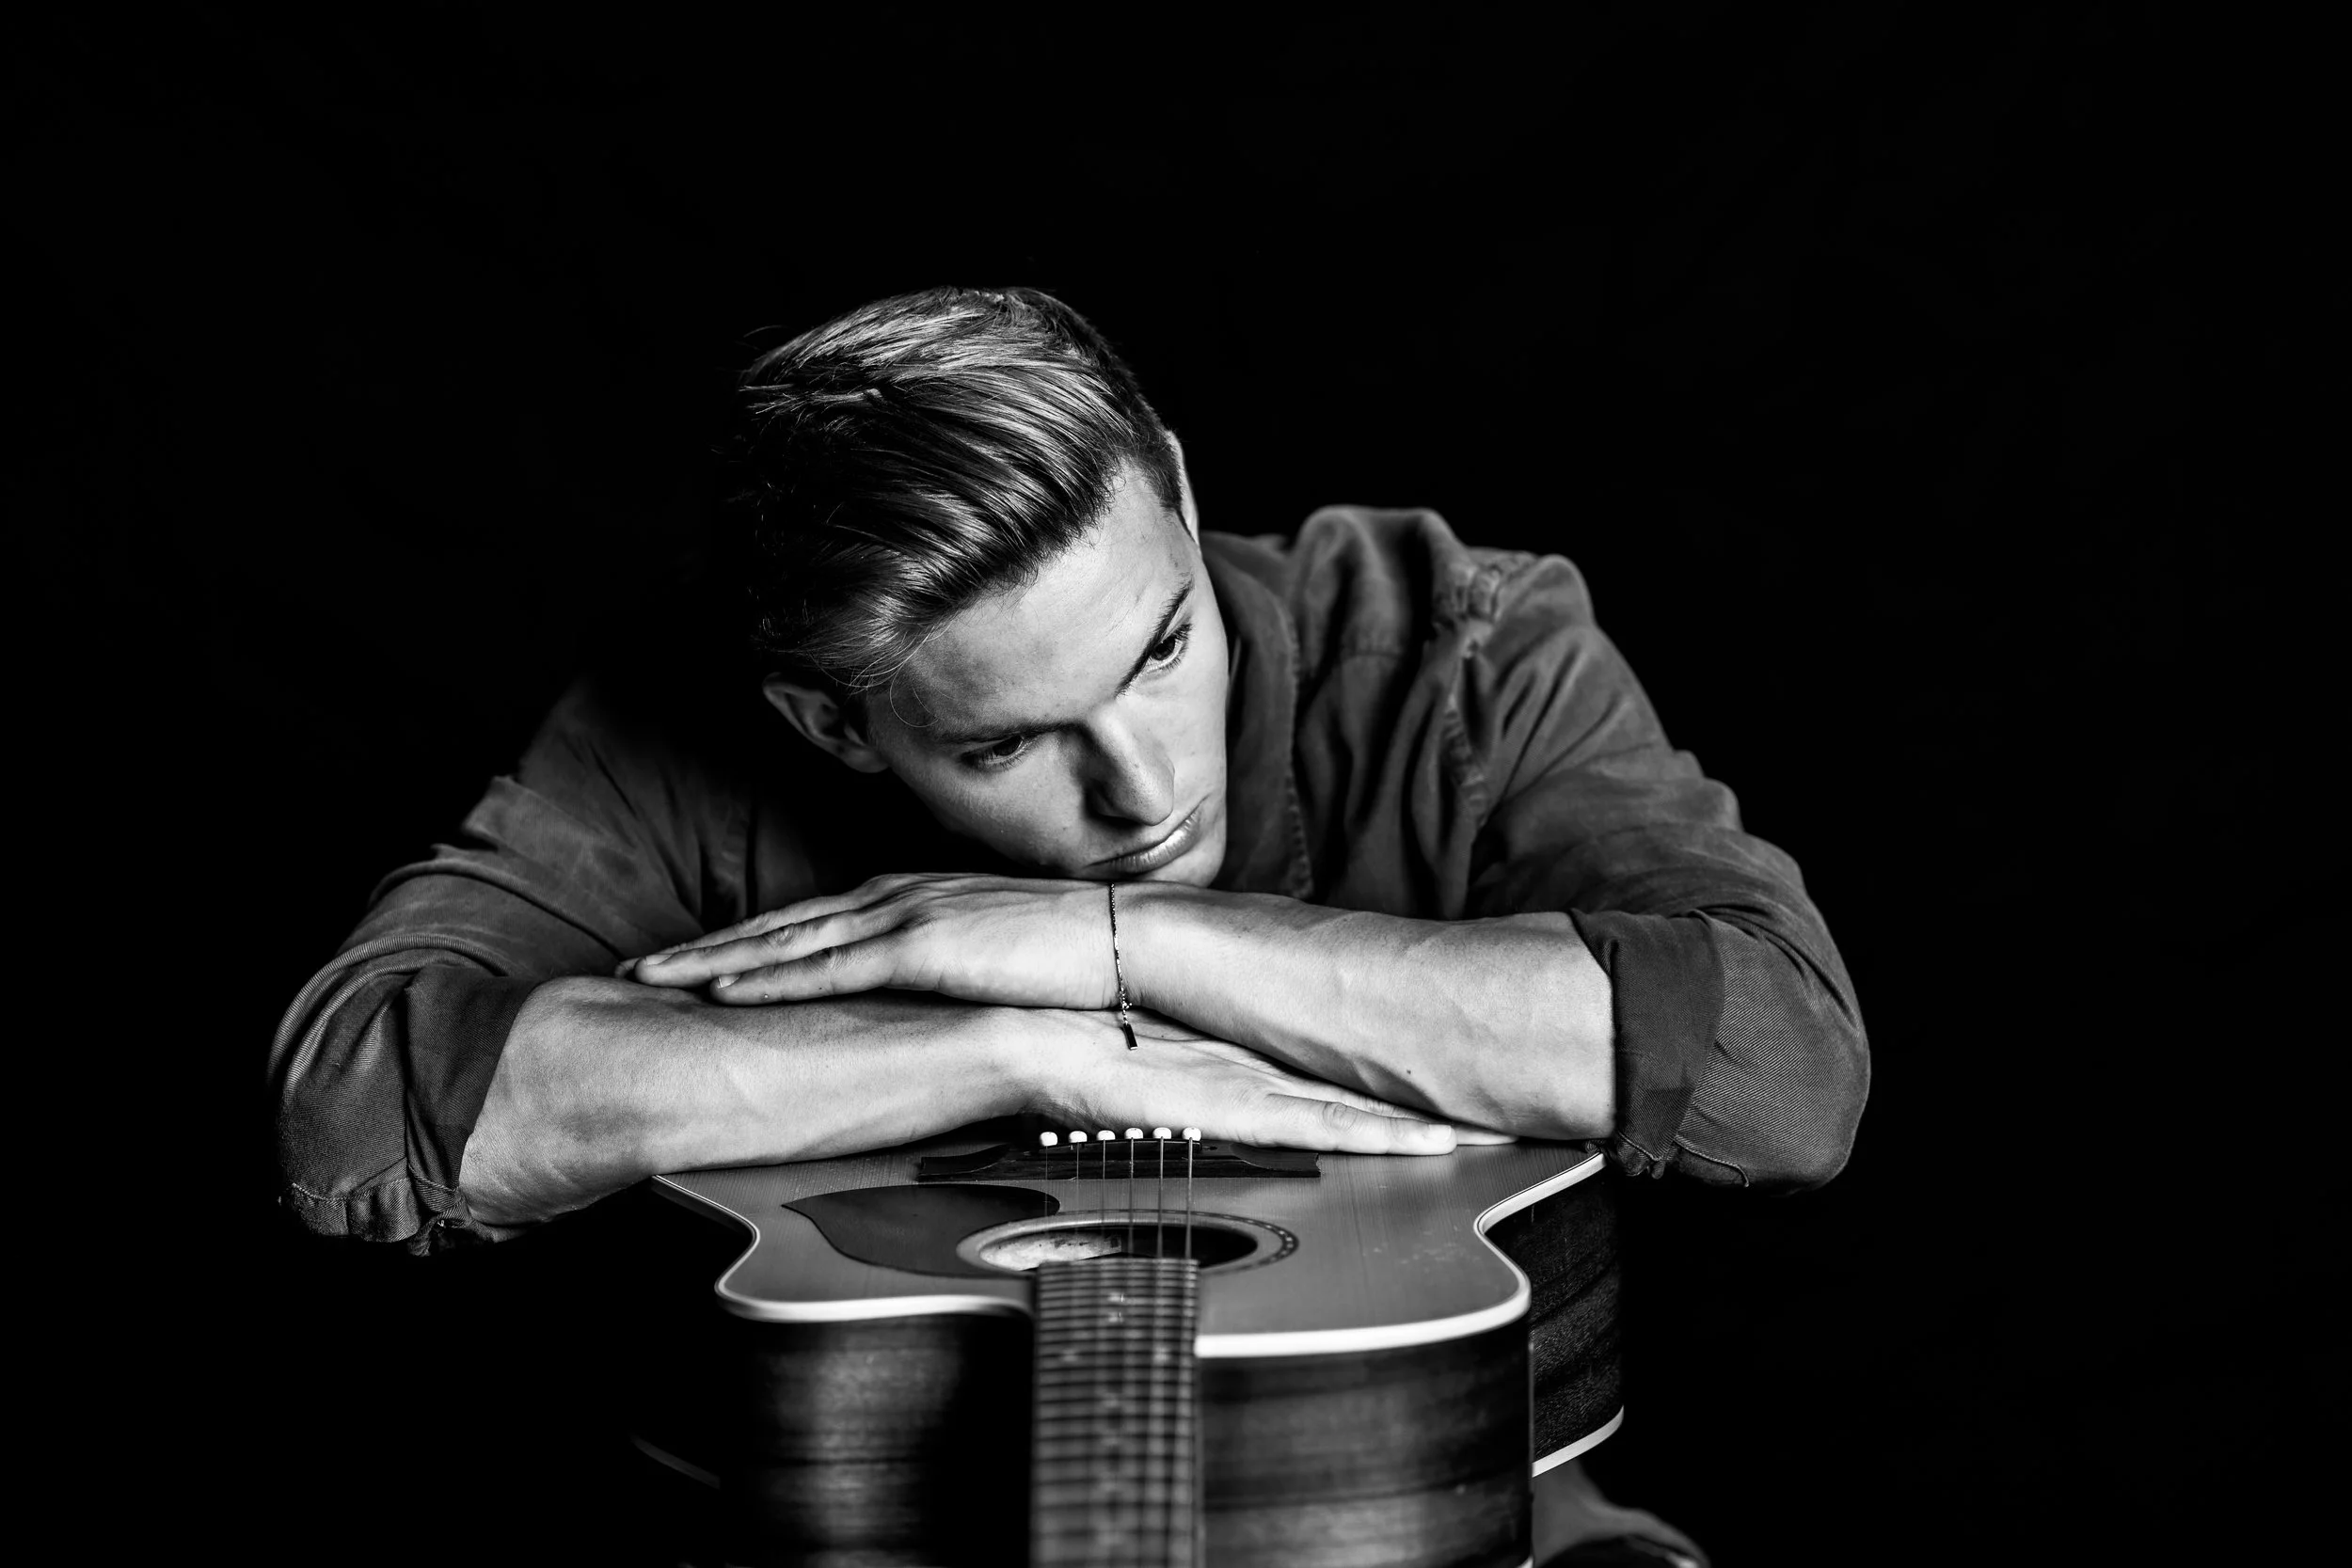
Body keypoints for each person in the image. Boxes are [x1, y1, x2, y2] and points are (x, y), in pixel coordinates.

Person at [271, 286, 1867, 1565]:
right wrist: (1018, 1048)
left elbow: (1780, 1065)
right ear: (832, 728)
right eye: (1005, 744)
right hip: (810, 1514)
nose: (1140, 785)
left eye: (1163, 648)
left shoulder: (1463, 647)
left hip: (1452, 1504)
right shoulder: (679, 731)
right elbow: (362, 1105)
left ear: (1171, 484)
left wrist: (1120, 944)